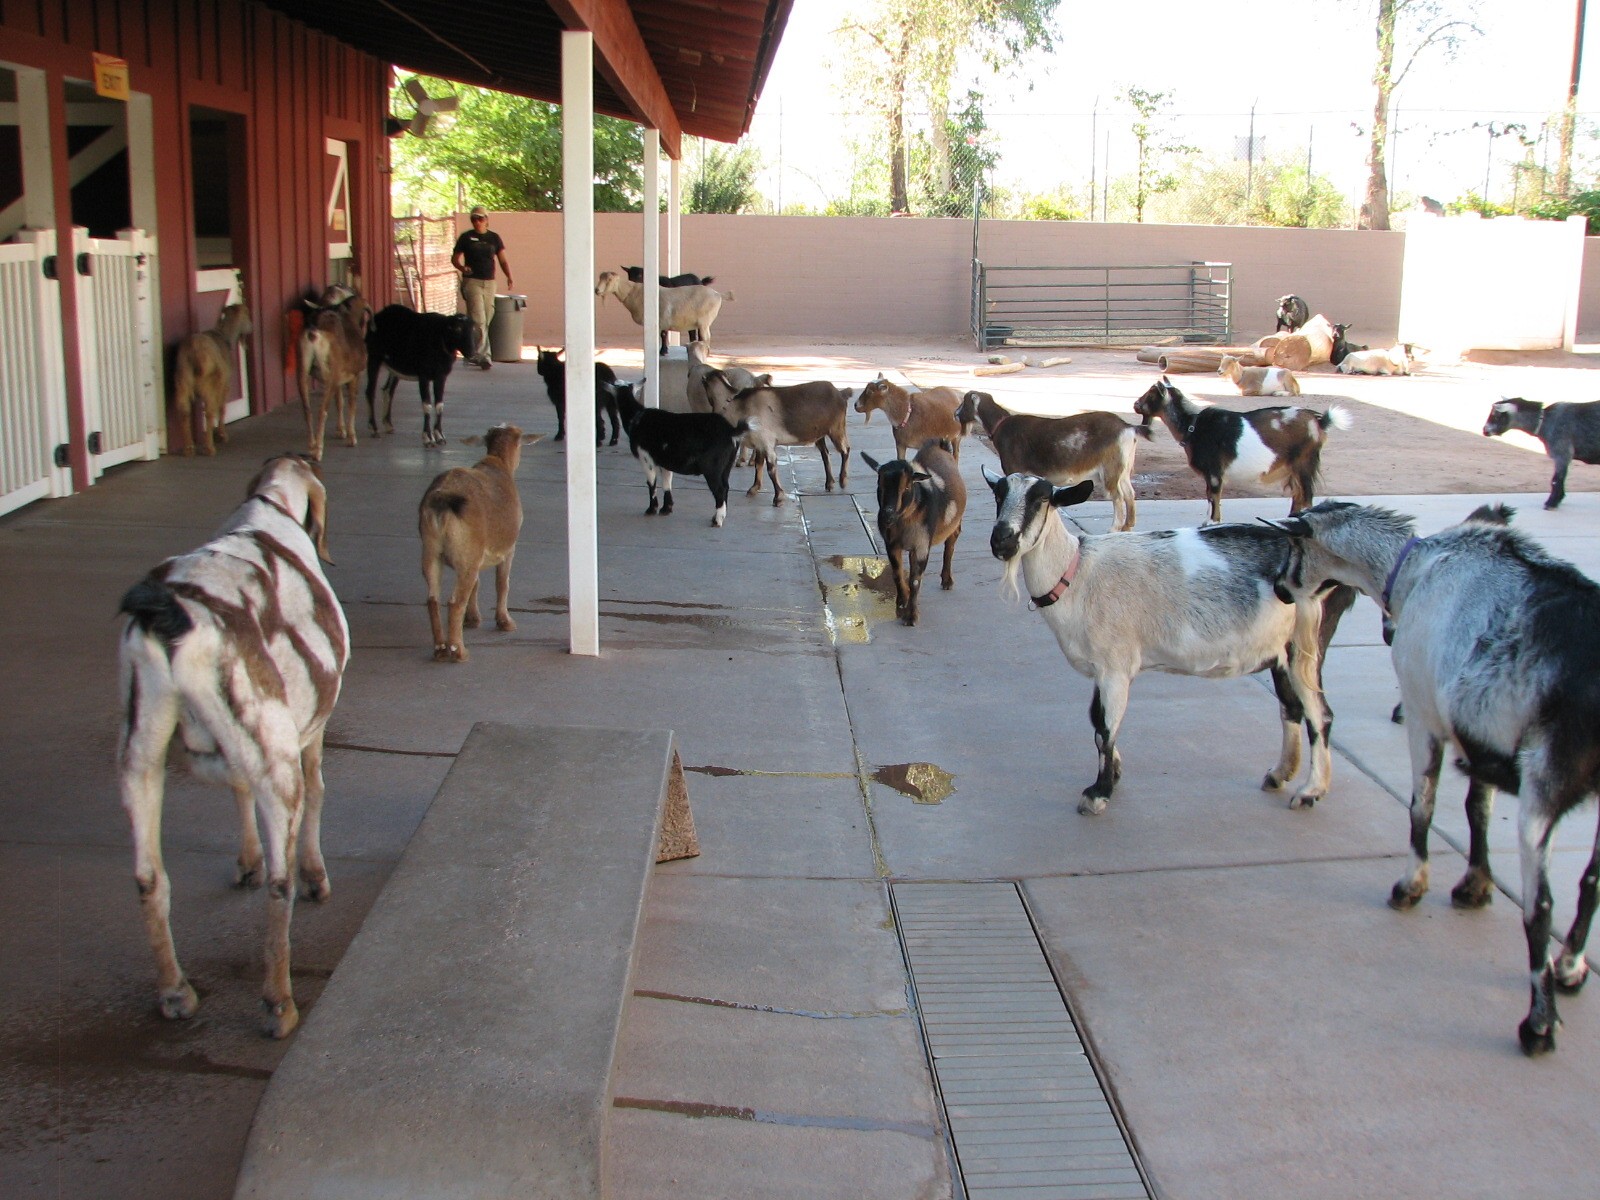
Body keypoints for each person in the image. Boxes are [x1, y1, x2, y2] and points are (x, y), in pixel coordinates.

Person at [451, 205, 512, 369]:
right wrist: (462, 268)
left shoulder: (494, 238)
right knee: (479, 319)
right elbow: (455, 259)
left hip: (489, 282)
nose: (477, 222)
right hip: (472, 281)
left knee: (486, 318)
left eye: (480, 218)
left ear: (487, 220)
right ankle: (484, 356)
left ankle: (472, 350)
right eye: (474, 219)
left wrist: (509, 276)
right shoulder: (466, 237)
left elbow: (502, 260)